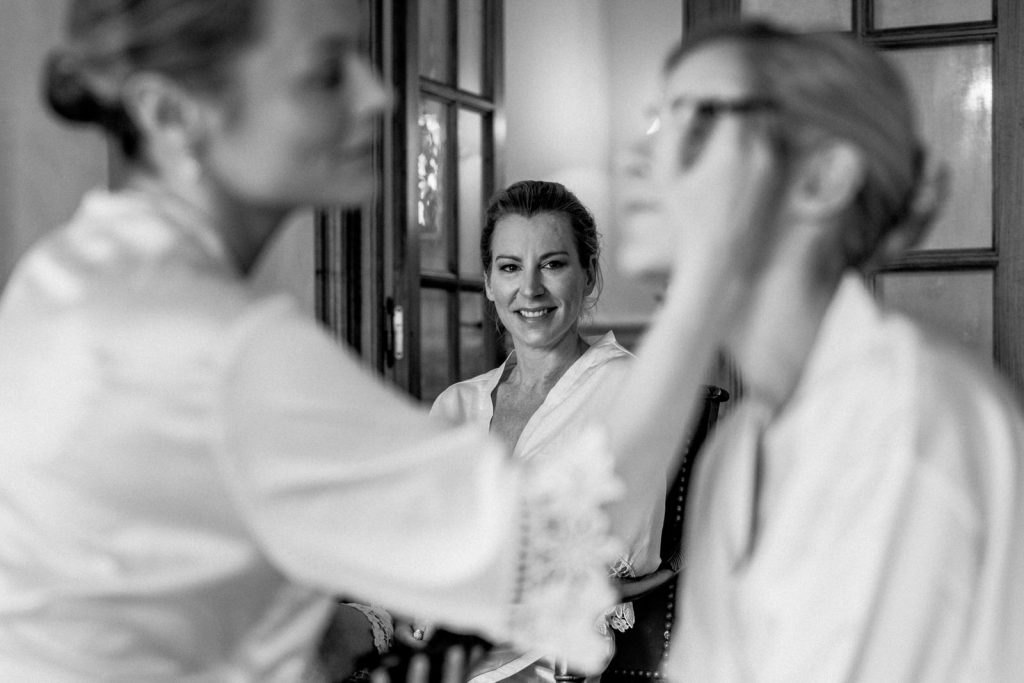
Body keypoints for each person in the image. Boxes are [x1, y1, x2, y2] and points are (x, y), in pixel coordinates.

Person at [0, 0, 705, 680]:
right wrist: (712, 267)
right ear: (169, 113)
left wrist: (352, 626)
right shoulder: (223, 349)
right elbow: (548, 550)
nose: (376, 96)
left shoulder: (58, 278)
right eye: (325, 71)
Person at [619, 19, 1024, 681]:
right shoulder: (737, 448)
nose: (639, 156)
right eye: (653, 121)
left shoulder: (910, 423)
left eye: (696, 121)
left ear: (821, 176)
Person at [431, 180, 663, 682]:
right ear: (488, 282)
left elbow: (623, 551)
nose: (530, 289)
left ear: (589, 274)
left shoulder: (627, 390)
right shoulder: (457, 405)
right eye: (510, 267)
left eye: (553, 264)